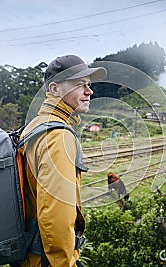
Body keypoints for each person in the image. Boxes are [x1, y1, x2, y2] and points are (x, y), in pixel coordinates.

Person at [19, 55, 107, 267]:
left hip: (30, 257)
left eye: (89, 84)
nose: (89, 91)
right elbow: (56, 214)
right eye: (79, 84)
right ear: (54, 89)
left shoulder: (35, 126)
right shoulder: (58, 135)